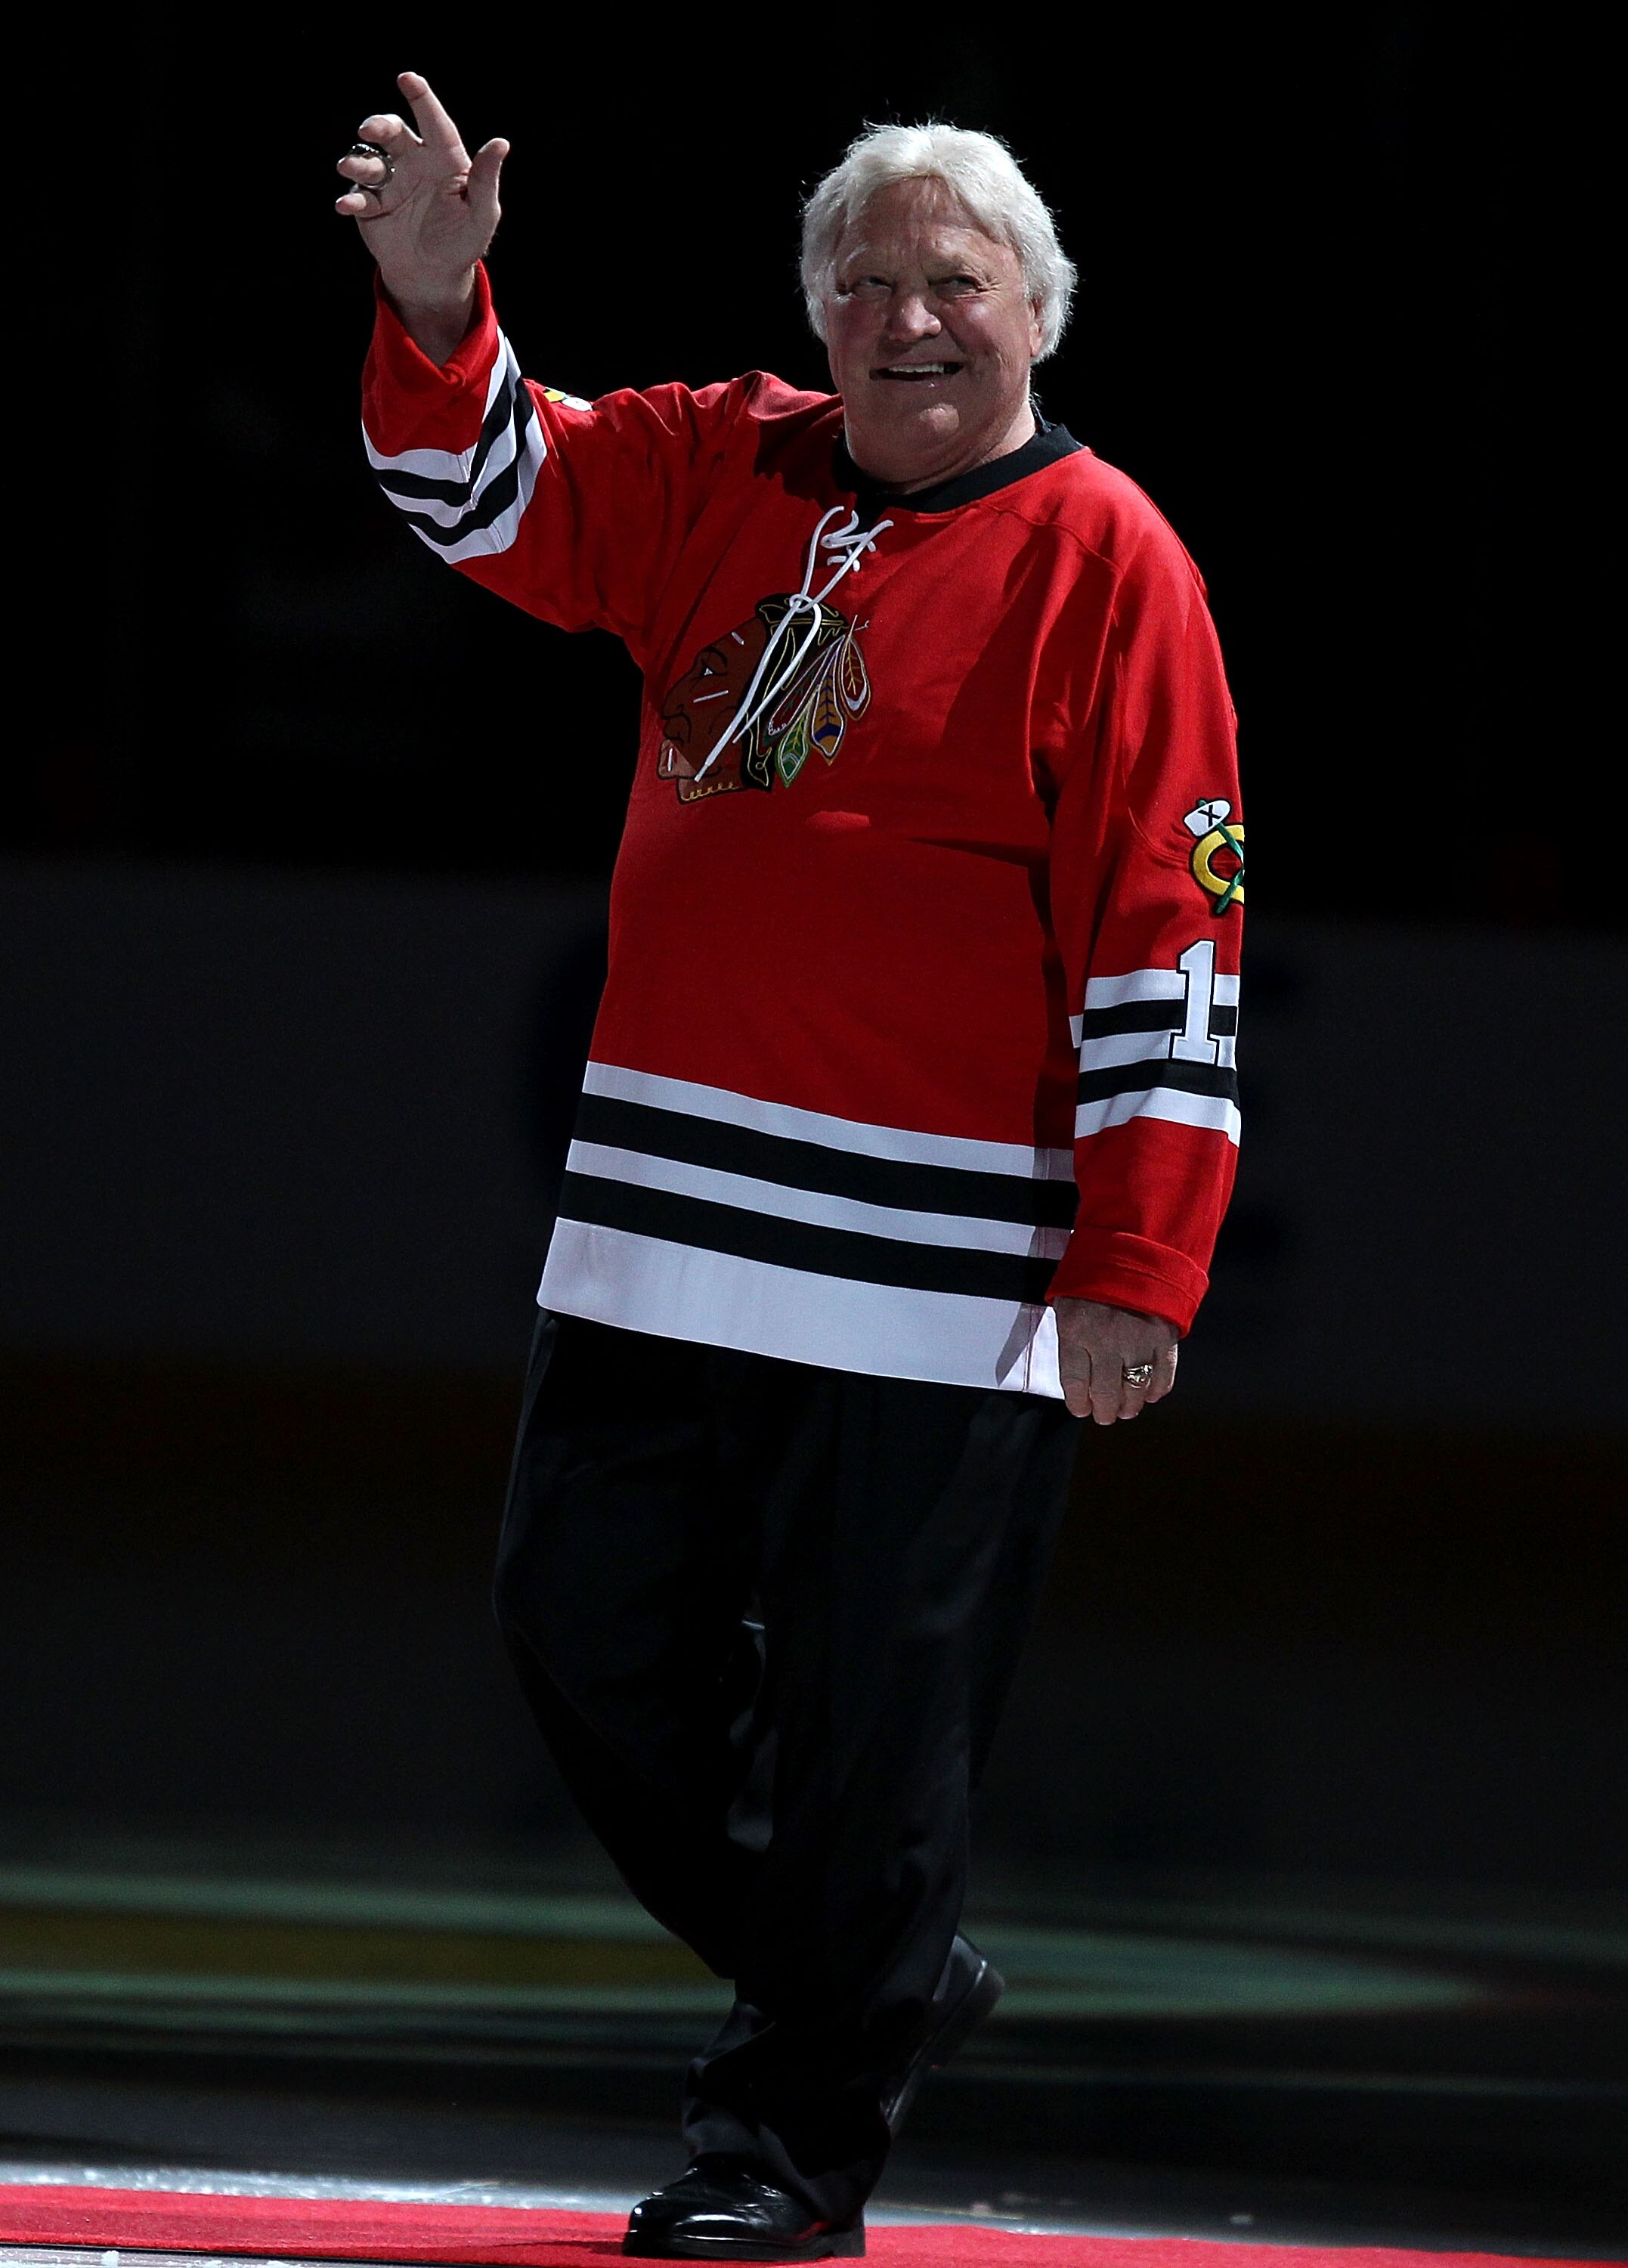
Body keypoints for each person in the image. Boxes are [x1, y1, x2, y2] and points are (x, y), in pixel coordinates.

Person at [338, 73, 1243, 2263]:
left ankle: (786, 2146)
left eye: (953, 281)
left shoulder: (1109, 559)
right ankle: (879, 1969)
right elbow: (480, 492)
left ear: (1037, 310)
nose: (903, 319)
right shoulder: (713, 462)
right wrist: (443, 305)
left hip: (940, 1271)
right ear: (814, 321)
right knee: (582, 1640)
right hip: (661, 1232)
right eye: (863, 285)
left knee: (871, 1736)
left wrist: (1138, 1262)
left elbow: (1168, 937)